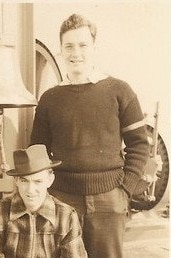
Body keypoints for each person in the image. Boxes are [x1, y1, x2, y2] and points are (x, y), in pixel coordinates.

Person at [30, 13, 149, 258]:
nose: (76, 53)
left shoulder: (119, 90)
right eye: (69, 46)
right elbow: (38, 150)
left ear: (94, 47)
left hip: (109, 200)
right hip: (61, 199)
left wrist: (125, 189)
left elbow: (139, 144)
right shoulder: (50, 99)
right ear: (61, 51)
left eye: (83, 45)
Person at [0, 144, 87, 258]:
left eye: (38, 181)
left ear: (50, 180)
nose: (30, 190)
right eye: (24, 181)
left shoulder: (67, 217)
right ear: (16, 181)